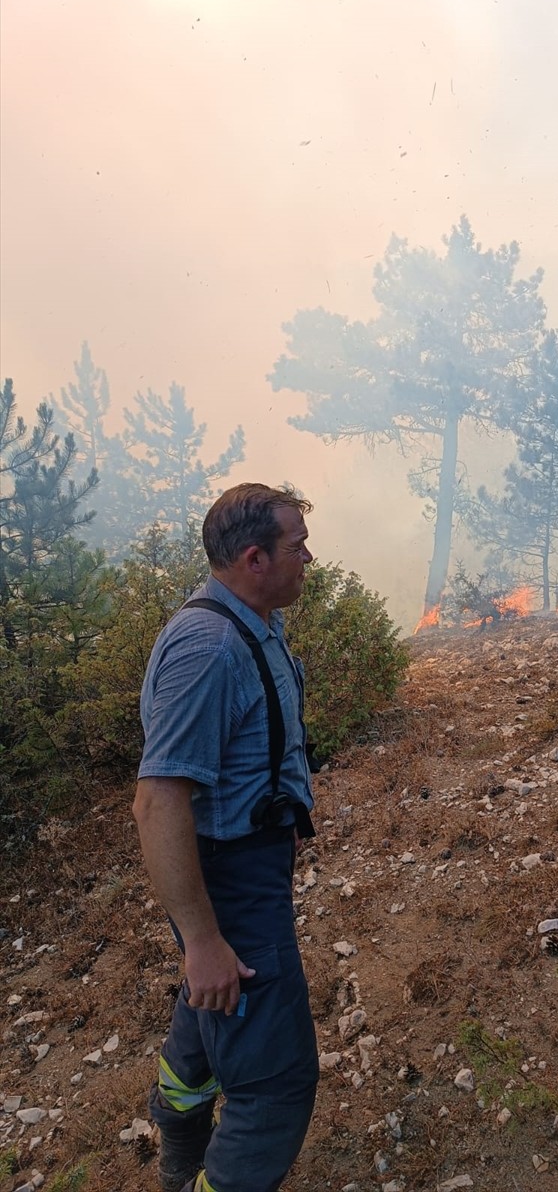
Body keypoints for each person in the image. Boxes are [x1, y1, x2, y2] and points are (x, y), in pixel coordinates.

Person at [133, 483, 320, 1192]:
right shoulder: (209, 648)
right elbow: (157, 802)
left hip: (247, 873)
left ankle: (179, 1146)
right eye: (297, 544)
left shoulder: (253, 617)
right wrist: (206, 940)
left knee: (211, 1004)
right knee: (276, 1085)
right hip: (231, 885)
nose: (308, 555)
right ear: (254, 558)